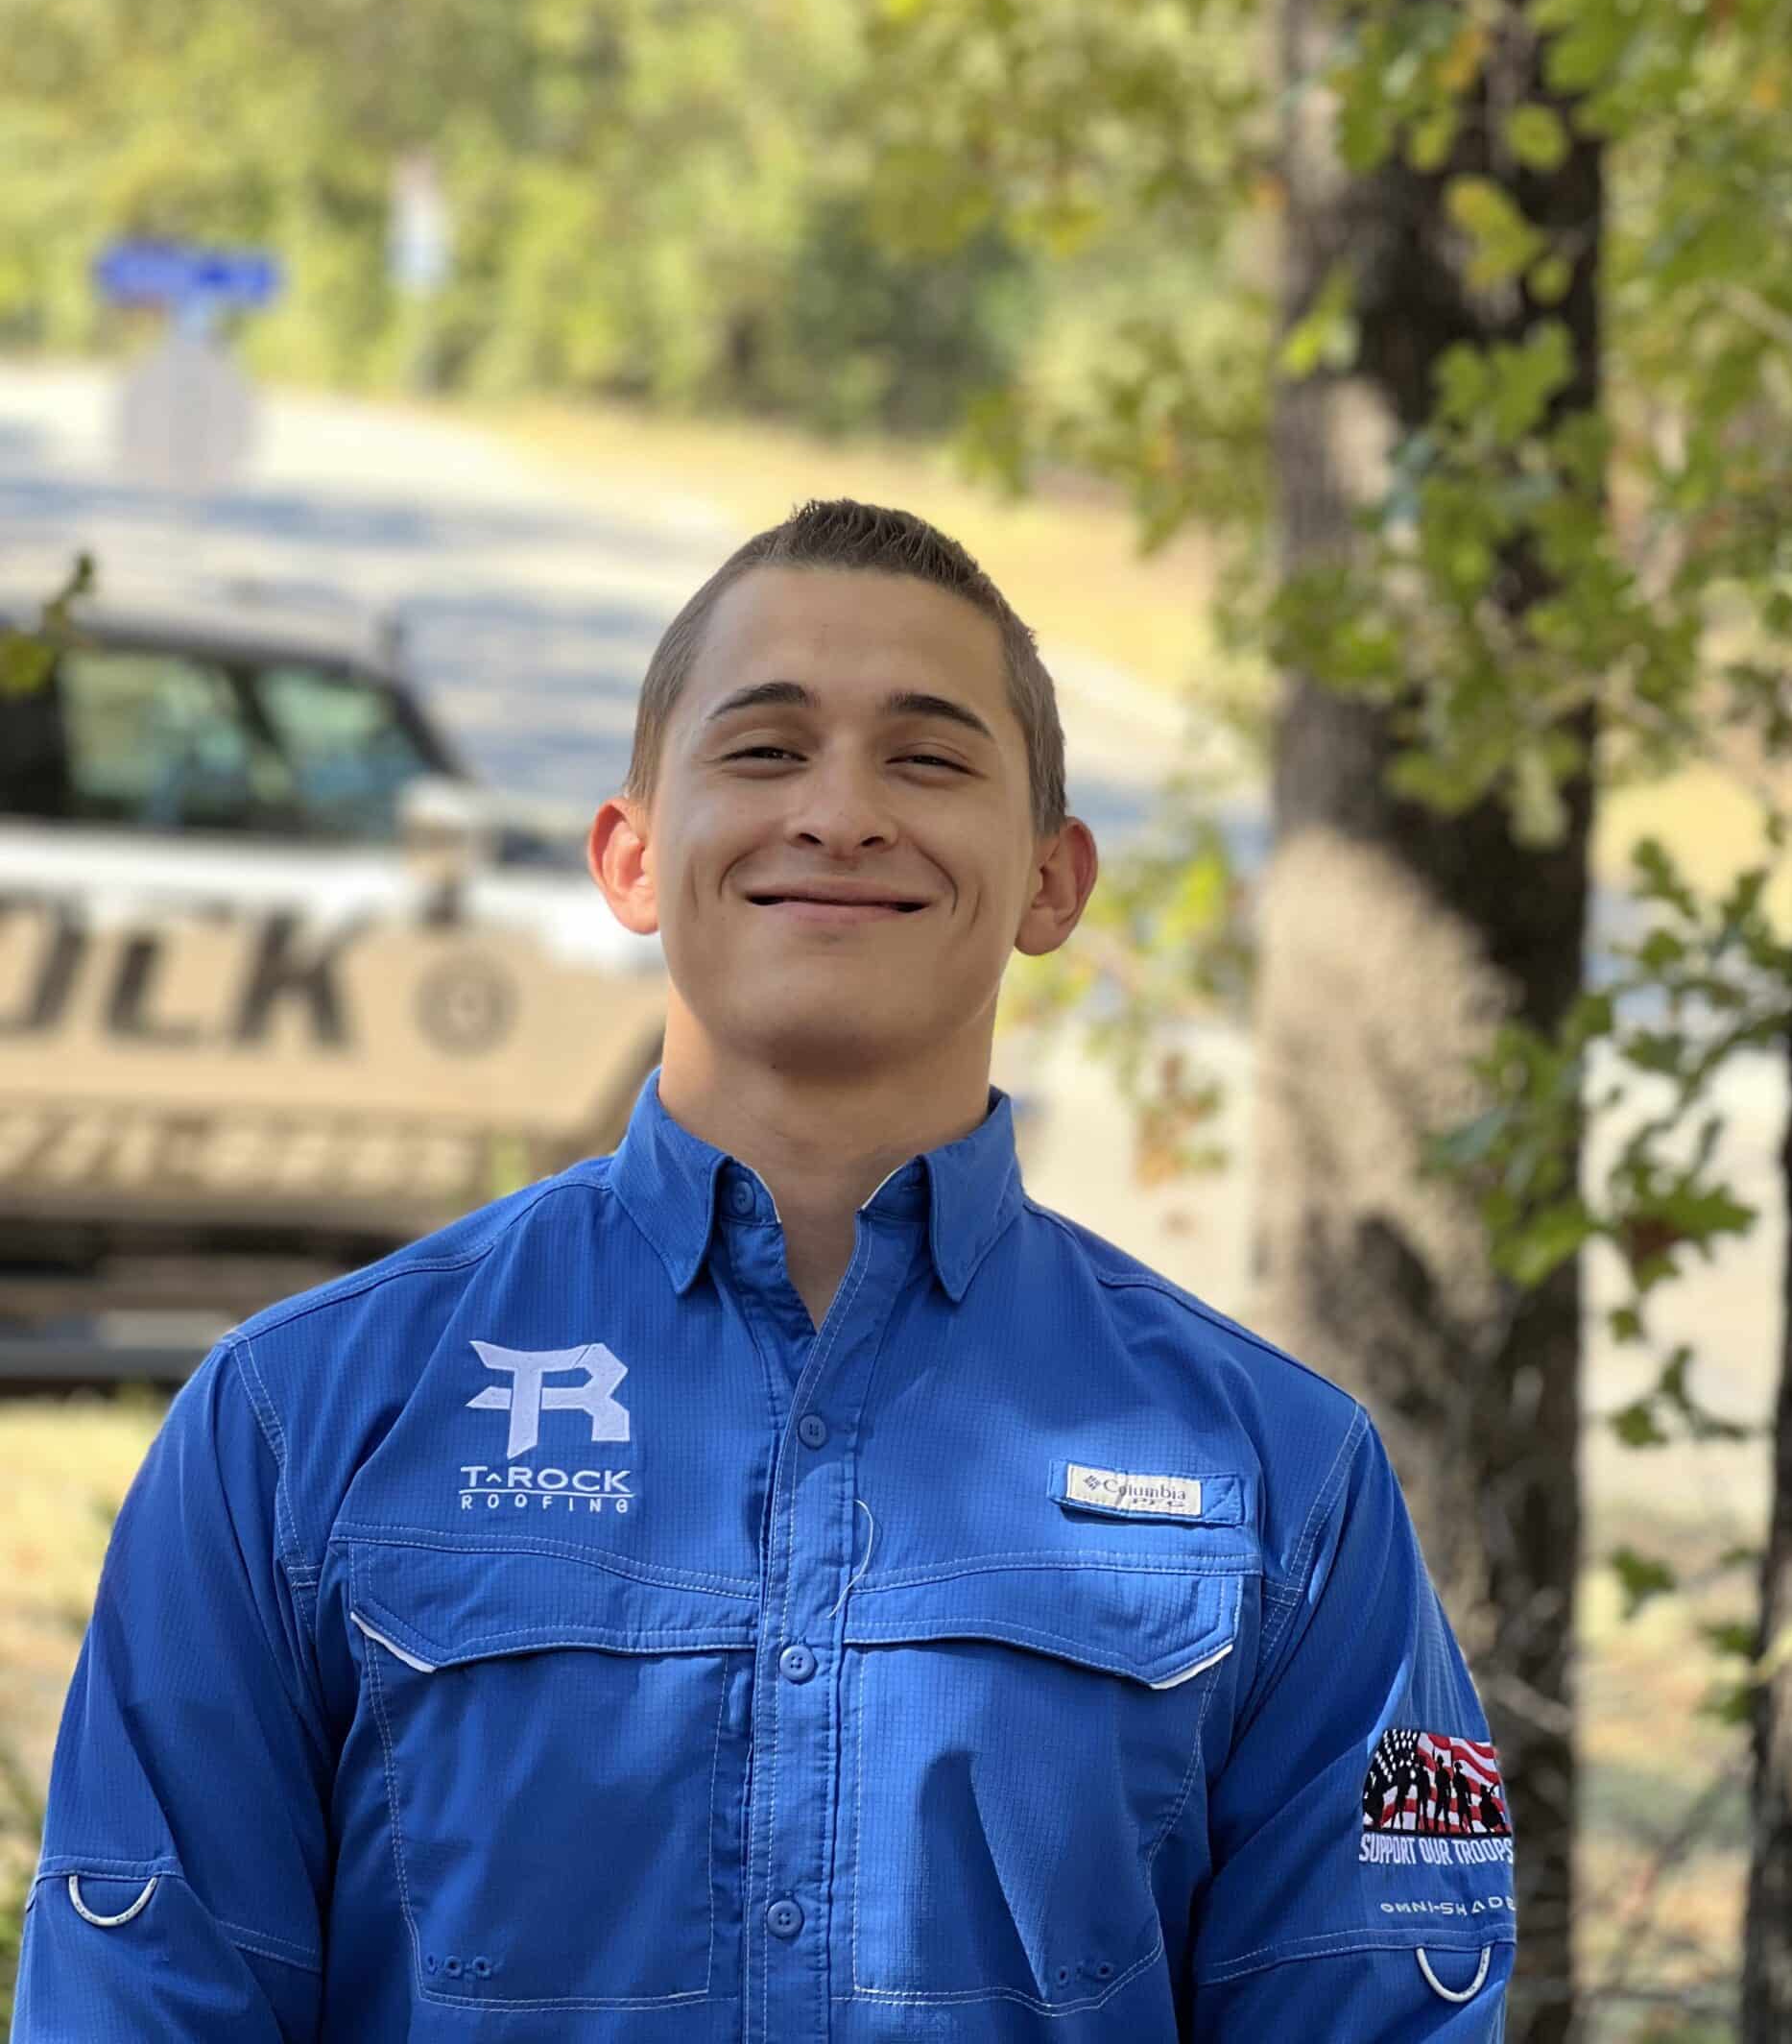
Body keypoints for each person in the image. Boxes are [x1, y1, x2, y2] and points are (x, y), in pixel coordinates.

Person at [15, 499, 1515, 2039]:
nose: (842, 813)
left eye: (928, 758)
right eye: (764, 749)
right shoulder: (293, 1424)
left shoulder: (1281, 1475)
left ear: (1056, 880)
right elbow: (139, 1999)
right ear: (632, 856)